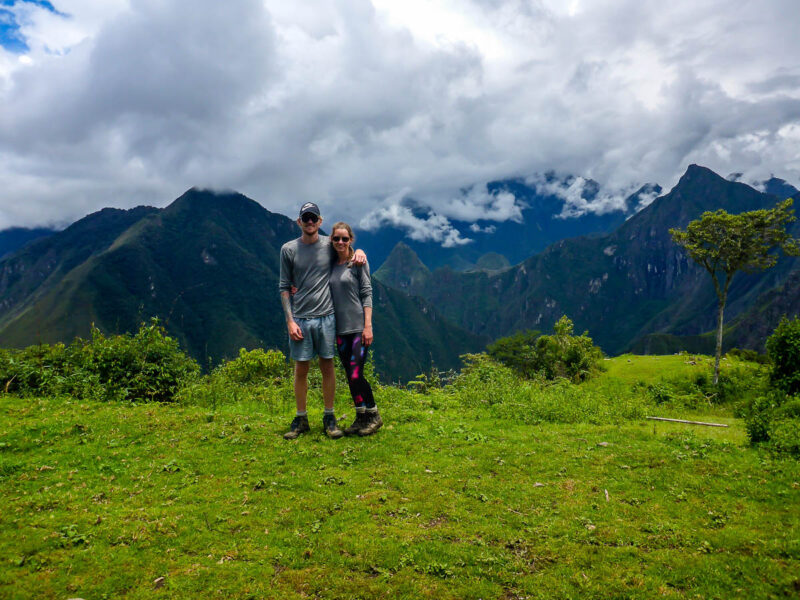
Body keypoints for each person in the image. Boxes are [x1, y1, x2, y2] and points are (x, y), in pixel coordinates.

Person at [279, 202, 365, 440]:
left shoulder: (330, 244)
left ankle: (330, 416)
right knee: (301, 368)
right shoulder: (288, 250)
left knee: (328, 366)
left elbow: (348, 247)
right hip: (301, 319)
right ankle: (301, 418)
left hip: (327, 316)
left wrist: (360, 252)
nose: (309, 222)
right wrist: (290, 321)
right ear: (299, 221)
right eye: (305, 218)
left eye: (313, 218)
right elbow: (284, 287)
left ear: (320, 221)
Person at [328, 222, 382, 436]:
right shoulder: (331, 263)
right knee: (350, 376)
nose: (340, 242)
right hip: (341, 331)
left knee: (356, 373)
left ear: (351, 240)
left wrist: (368, 326)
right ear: (331, 240)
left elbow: (367, 293)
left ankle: (374, 414)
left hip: (358, 328)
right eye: (336, 239)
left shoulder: (358, 262)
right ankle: (360, 417)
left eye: (345, 239)